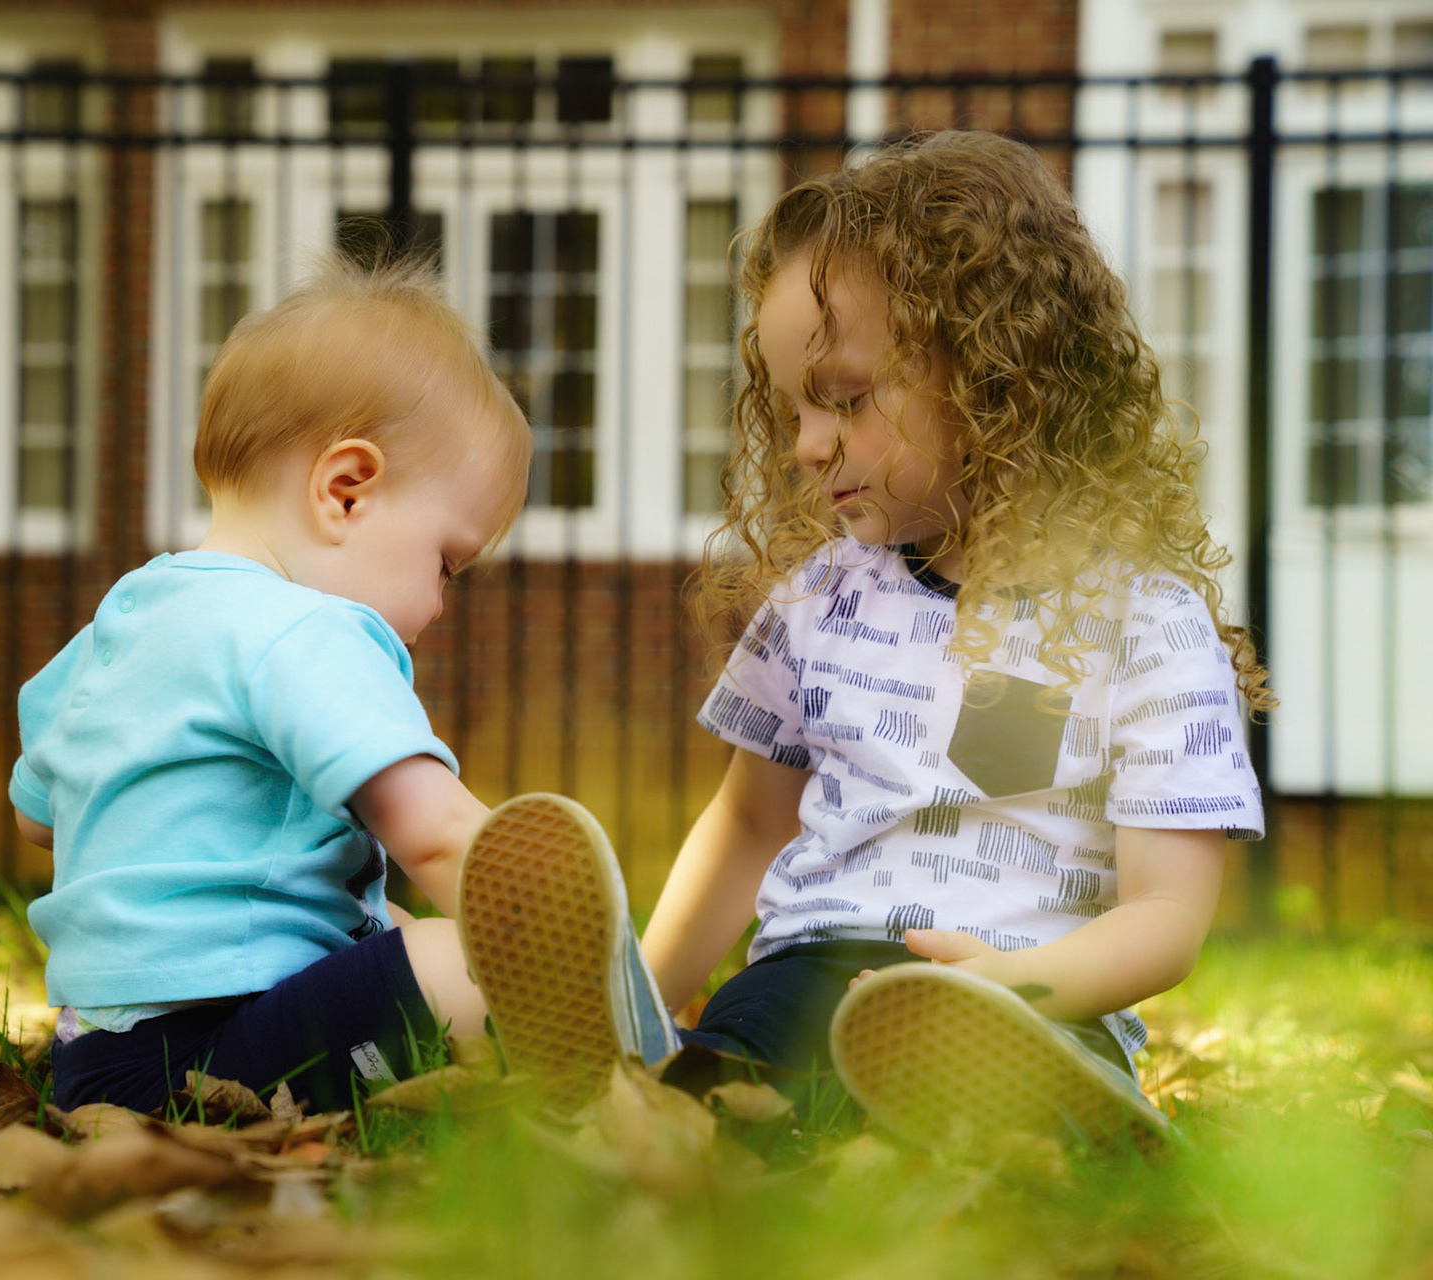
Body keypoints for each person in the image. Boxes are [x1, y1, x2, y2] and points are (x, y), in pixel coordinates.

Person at [461, 131, 1273, 1148]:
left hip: (1032, 1006)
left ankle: (1060, 1139)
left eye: (843, 398)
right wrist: (657, 993)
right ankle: (627, 1069)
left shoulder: (1146, 621)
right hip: (813, 967)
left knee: (984, 1126)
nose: (805, 445)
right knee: (725, 1099)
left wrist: (1002, 986)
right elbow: (751, 825)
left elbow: (1168, 915)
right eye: (792, 406)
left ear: (994, 368)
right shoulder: (820, 600)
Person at [11, 253, 533, 1115]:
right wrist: (568, 941)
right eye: (447, 562)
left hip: (96, 1063)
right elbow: (435, 835)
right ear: (347, 491)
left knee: (385, 931)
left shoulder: (128, 614)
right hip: (213, 1060)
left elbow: (36, 816)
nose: (440, 605)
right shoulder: (306, 630)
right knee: (459, 963)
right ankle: (624, 1068)